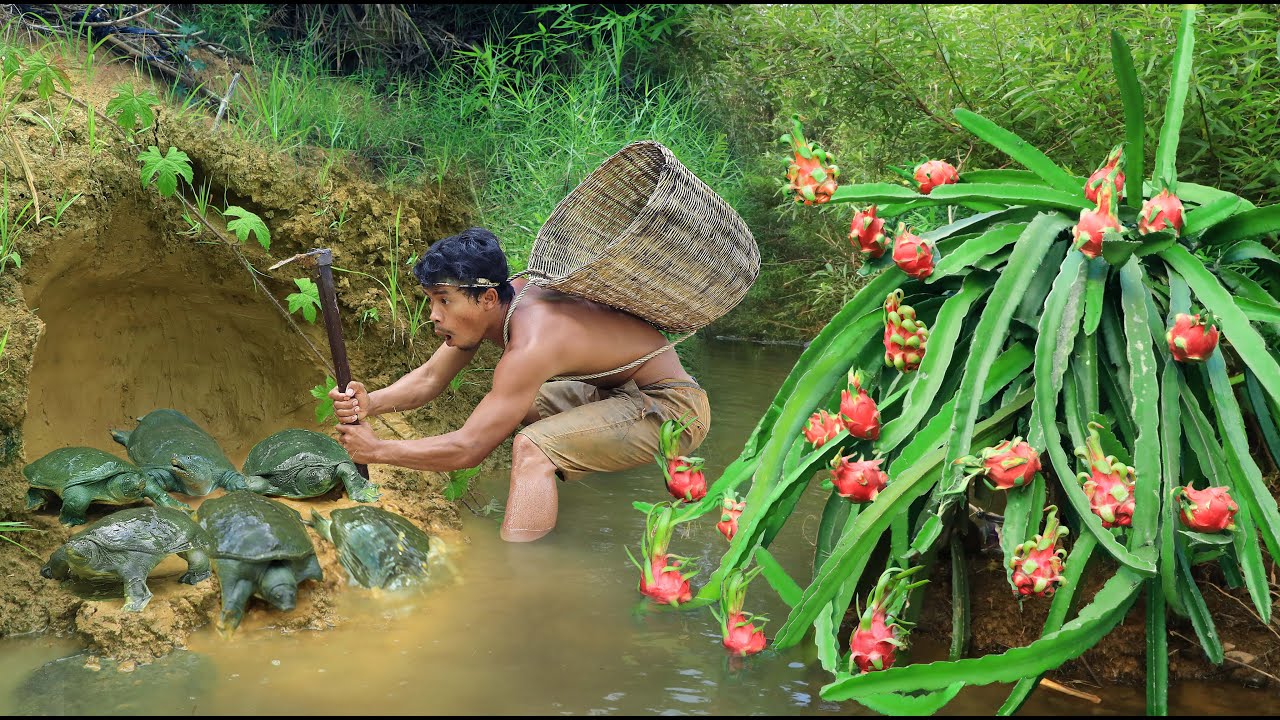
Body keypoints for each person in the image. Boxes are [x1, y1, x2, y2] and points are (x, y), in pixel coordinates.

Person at [330, 227, 710, 542]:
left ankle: (522, 569)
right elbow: (431, 378)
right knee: (521, 405)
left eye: (444, 301)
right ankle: (563, 489)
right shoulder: (503, 298)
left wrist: (377, 450)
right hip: (615, 391)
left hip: (673, 409)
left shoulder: (531, 344)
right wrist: (370, 403)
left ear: (486, 298)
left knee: (532, 449)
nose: (433, 315)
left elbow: (469, 448)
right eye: (431, 300)